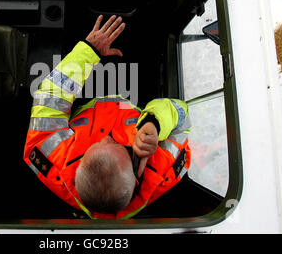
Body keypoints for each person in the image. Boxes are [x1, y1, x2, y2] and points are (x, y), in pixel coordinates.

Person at [23, 15, 191, 219]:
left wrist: (88, 51)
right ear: (136, 179)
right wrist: (155, 123)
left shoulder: (53, 163)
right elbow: (182, 113)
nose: (106, 137)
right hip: (137, 99)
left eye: (91, 148)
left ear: (76, 173)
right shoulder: (163, 170)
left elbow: (49, 97)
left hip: (86, 101)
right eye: (116, 145)